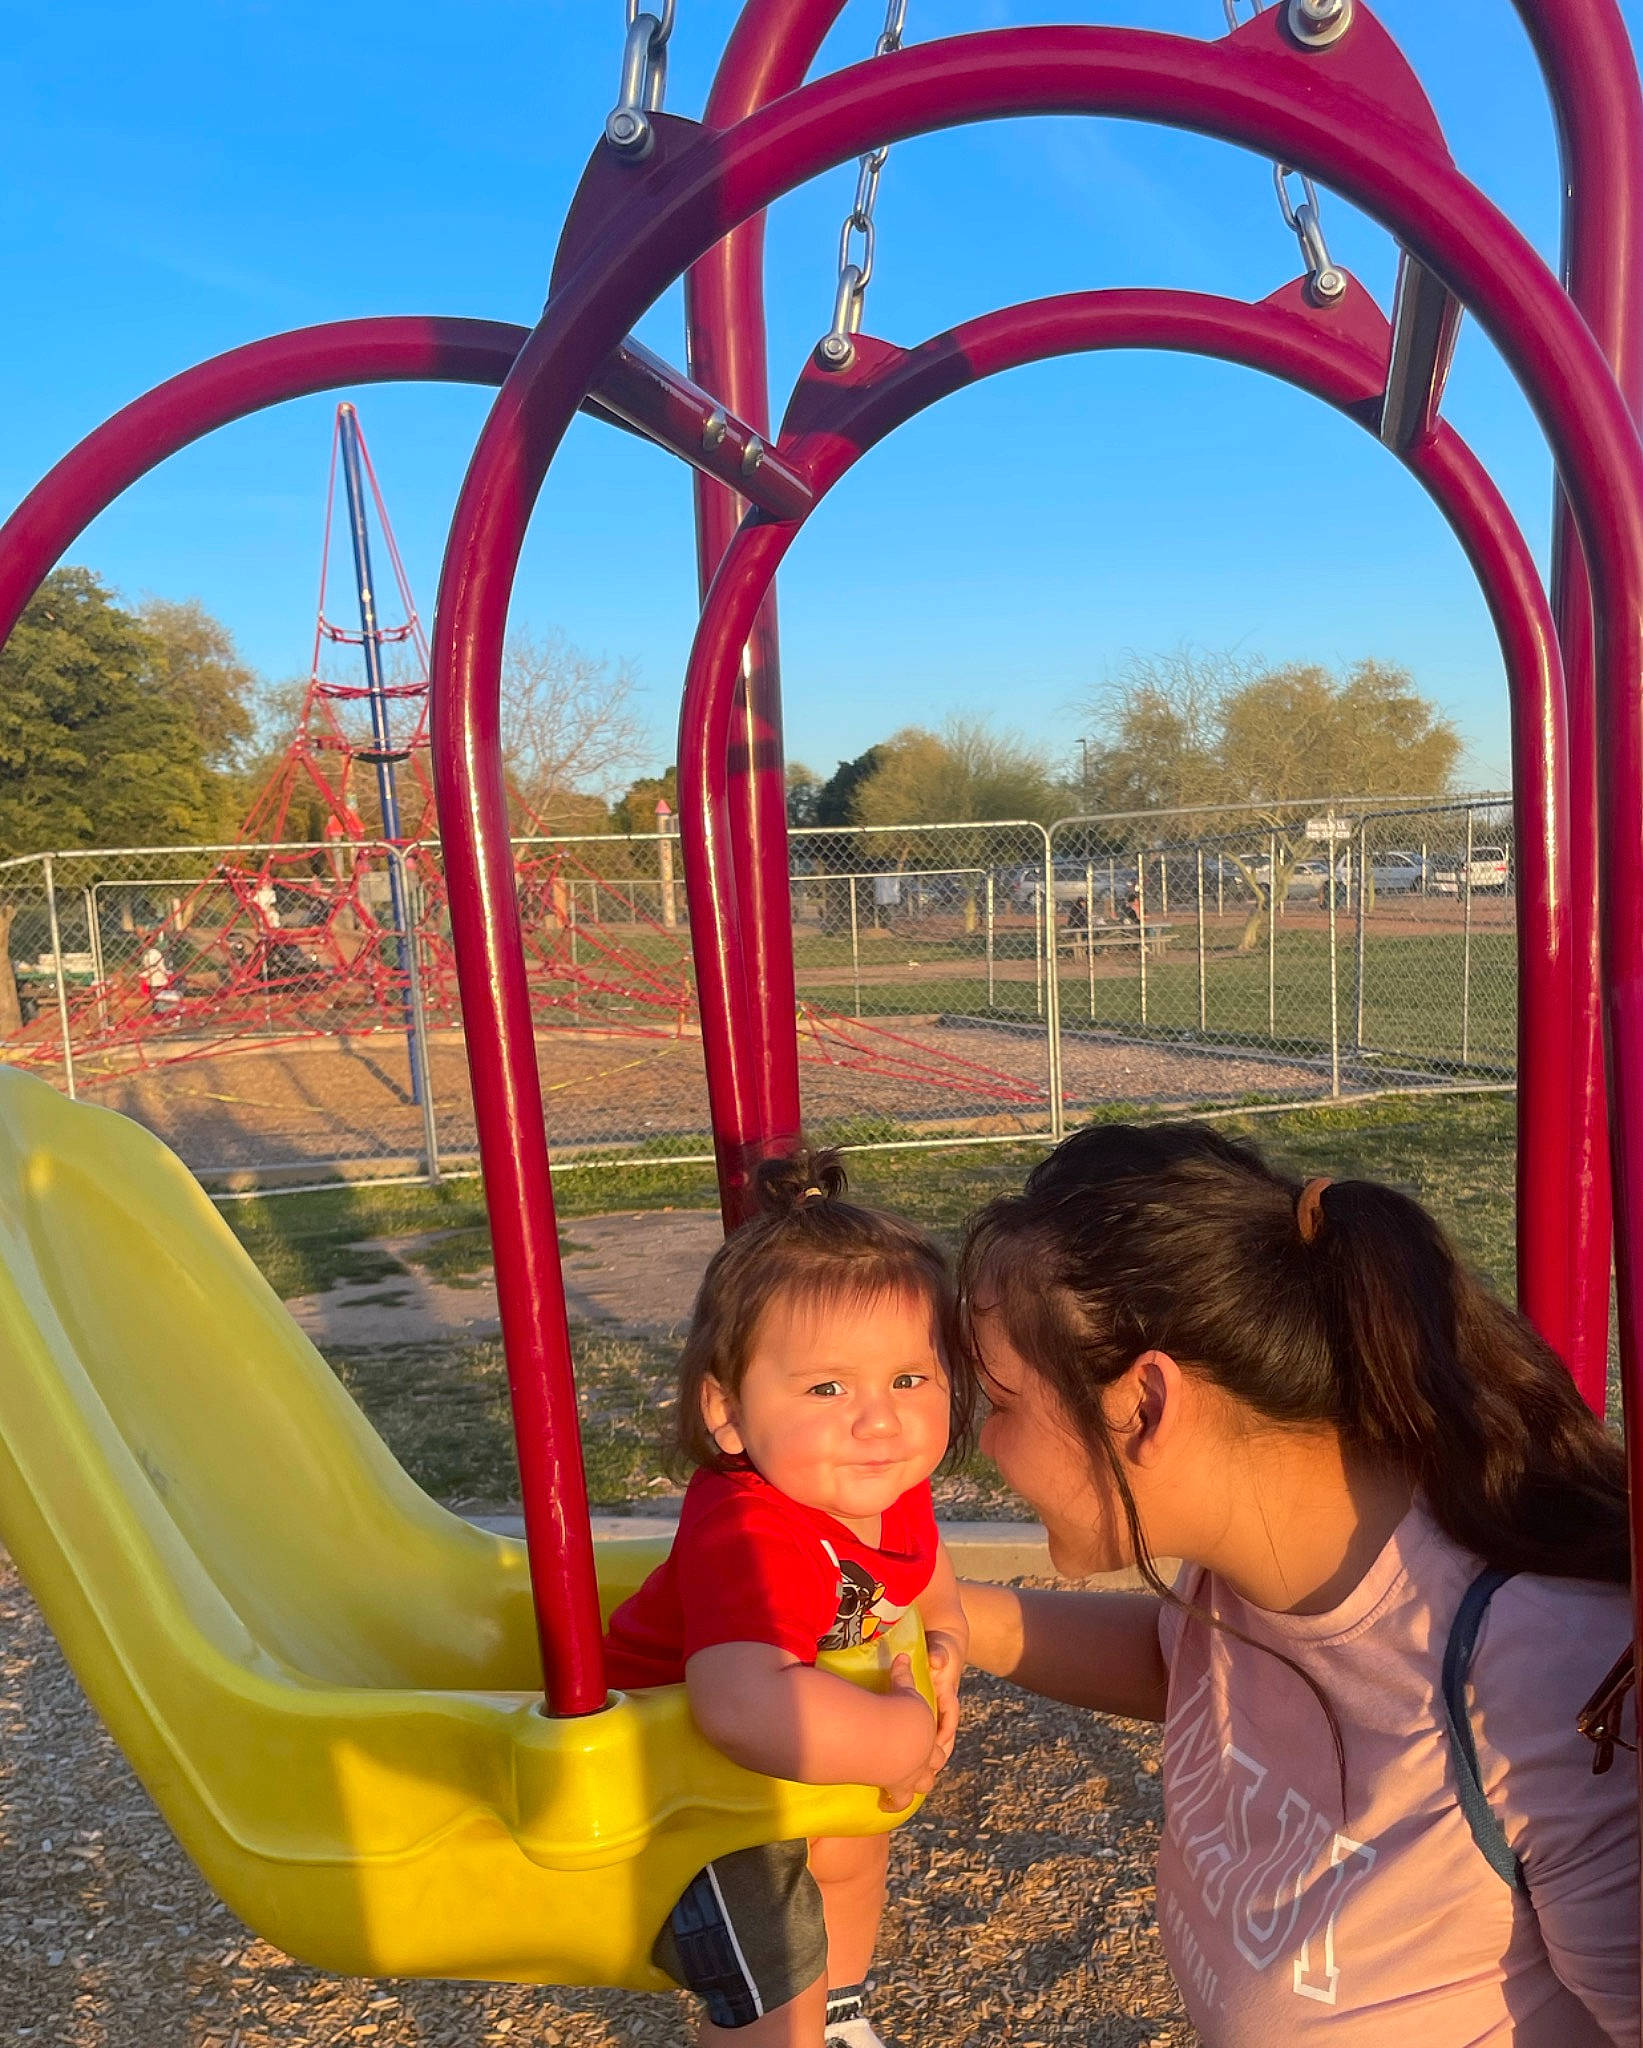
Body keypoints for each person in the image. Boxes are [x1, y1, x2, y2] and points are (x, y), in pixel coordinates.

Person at [955, 1122, 1638, 2045]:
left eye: (999, 1403)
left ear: (1145, 1404)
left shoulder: (1543, 1689)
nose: (985, 1447)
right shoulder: (1245, 1562)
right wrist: (949, 1617)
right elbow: (1184, 1669)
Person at [604, 1149, 972, 2048]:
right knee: (773, 1950)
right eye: (827, 1387)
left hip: (773, 1759)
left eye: (909, 1380)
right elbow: (740, 1705)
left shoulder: (880, 1483)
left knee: (850, 1851)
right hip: (671, 1788)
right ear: (726, 1412)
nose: (879, 1419)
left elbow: (926, 1580)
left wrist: (944, 1650)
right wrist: (901, 1738)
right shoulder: (752, 1535)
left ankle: (841, 2017)